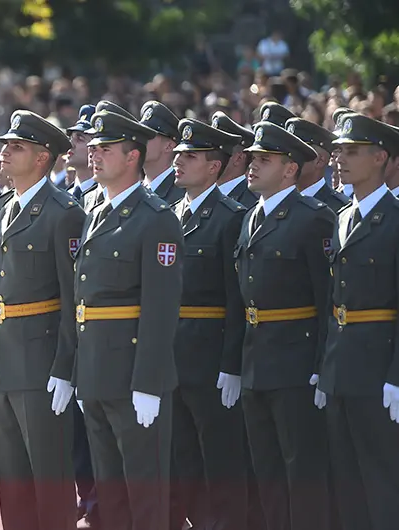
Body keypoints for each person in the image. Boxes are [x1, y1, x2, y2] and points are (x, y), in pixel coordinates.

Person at [72, 110, 182, 530]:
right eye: (93, 148)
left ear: (133, 156)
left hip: (134, 375)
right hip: (97, 371)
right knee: (110, 492)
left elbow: (160, 306)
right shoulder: (95, 210)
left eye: (105, 149)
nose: (94, 155)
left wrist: (149, 382)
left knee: (145, 493)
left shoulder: (155, 218)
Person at [0, 110, 84, 530]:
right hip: (3, 362)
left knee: (50, 483)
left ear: (43, 158)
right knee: (12, 485)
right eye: (5, 145)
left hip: (41, 363)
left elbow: (72, 298)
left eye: (16, 147)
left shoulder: (63, 212)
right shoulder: (6, 207)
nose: (4, 153)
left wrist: (65, 368)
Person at [236, 122, 334, 530]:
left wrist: (320, 366)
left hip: (296, 361)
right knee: (267, 470)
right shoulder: (249, 217)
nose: (252, 166)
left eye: (264, 160)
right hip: (256, 360)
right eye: (253, 158)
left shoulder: (314, 220)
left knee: (302, 471)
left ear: (291, 169)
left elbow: (329, 300)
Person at [167, 119, 250, 530]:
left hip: (210, 357)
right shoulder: (169, 215)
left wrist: (231, 363)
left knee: (219, 460)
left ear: (215, 167)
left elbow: (237, 299)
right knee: (184, 461)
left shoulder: (231, 217)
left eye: (191, 157)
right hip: (173, 357)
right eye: (179, 154)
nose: (179, 162)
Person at [320, 113, 399, 530]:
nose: (340, 160)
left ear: (380, 158)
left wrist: (397, 375)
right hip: (341, 371)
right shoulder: (343, 216)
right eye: (338, 152)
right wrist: (324, 369)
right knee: (346, 480)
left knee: (382, 479)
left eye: (352, 152)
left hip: (379, 371)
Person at [286, 118, 350, 210]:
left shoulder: (339, 207)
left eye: (298, 152)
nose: (289, 158)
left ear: (319, 160)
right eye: (287, 152)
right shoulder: (282, 201)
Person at [139, 101, 185, 204]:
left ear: (168, 146)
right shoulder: (134, 190)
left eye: (148, 135)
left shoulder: (182, 194)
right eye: (139, 134)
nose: (139, 140)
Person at [211, 112, 258, 207]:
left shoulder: (250, 203)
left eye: (217, 151)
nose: (209, 157)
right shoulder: (205, 193)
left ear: (238, 158)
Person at [65, 104, 104, 210]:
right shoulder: (64, 195)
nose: (71, 145)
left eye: (80, 139)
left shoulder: (103, 196)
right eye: (71, 138)